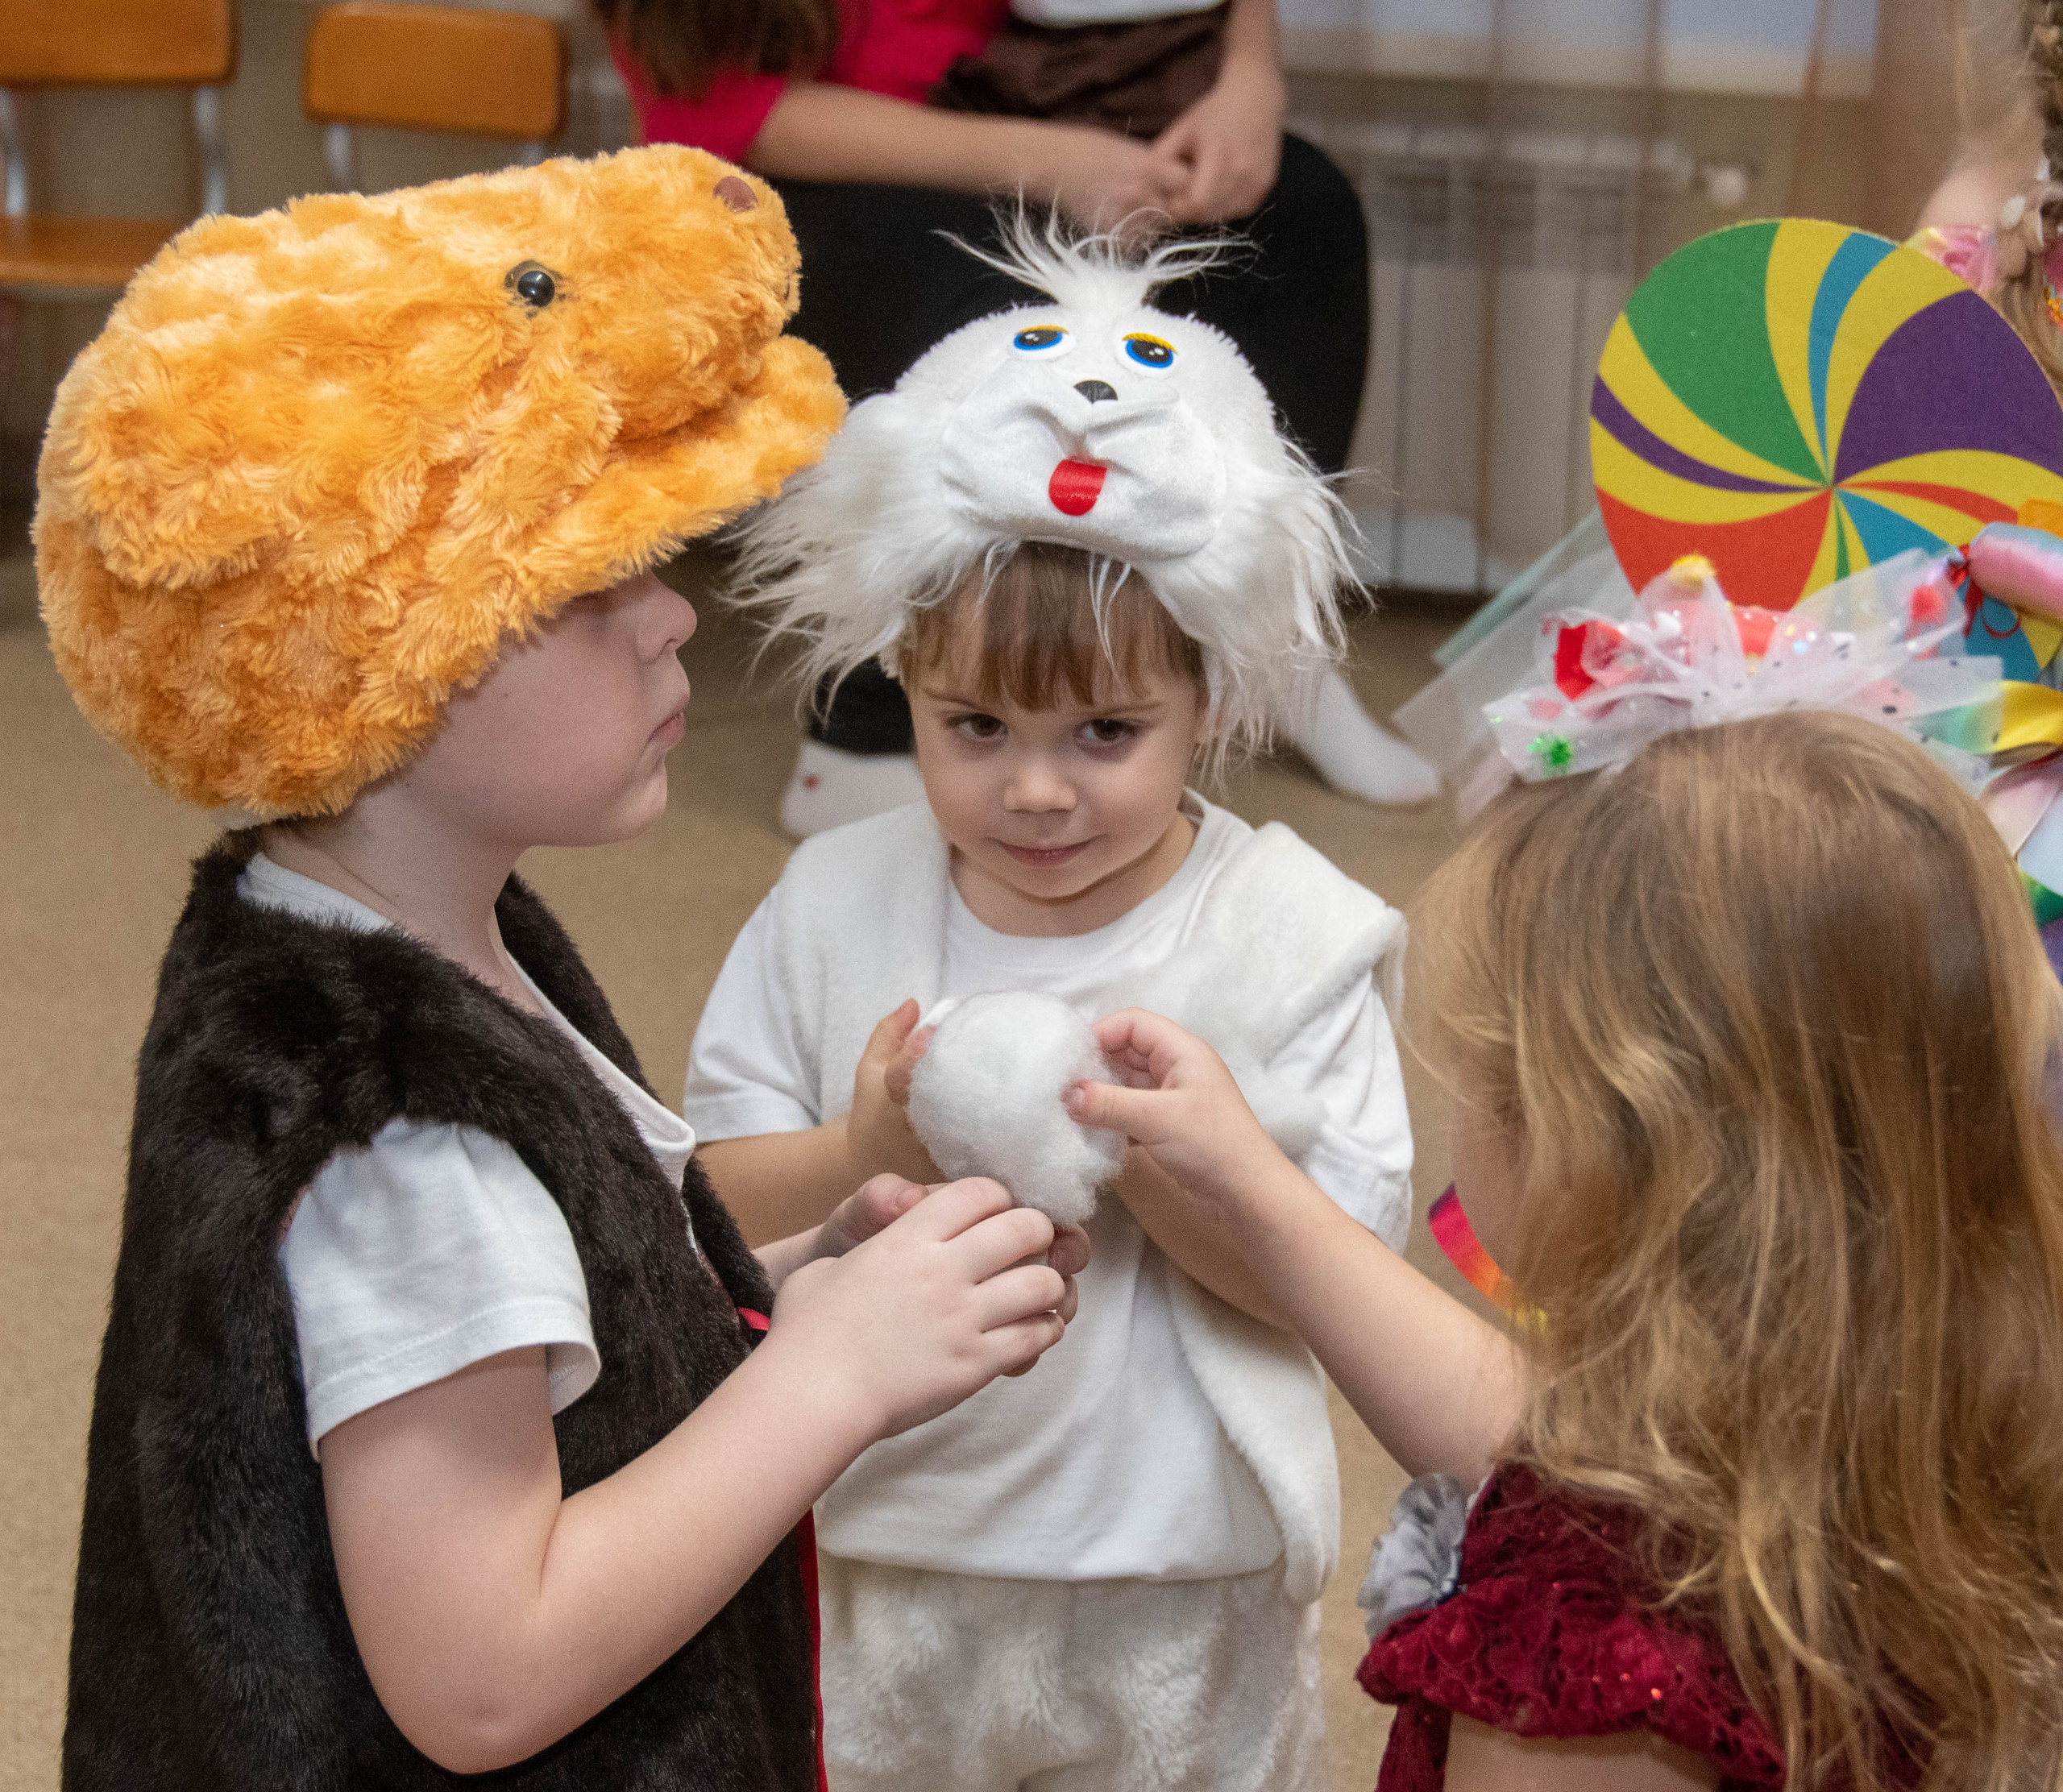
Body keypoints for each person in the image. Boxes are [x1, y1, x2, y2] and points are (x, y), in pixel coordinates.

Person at [43, 146, 1085, 1790]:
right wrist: (830, 1375)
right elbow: (481, 1668)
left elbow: (554, 1320)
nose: (669, 621)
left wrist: (779, 1285)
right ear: (383, 656)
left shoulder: (371, 937)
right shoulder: (404, 1136)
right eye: (590, 584)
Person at [682, 226, 1418, 1790]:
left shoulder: (1290, 938)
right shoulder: (832, 907)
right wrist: (860, 1142)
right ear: (903, 676)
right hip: (876, 1555)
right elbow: (697, 1221)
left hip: (1172, 1591)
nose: (1030, 786)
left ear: (1208, 698)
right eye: (971, 725)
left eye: (1103, 729)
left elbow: (1328, 1288)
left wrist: (1164, 1168)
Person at [1069, 692, 2063, 1783]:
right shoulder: (1903, 1429)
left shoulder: (1580, 1668)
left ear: (1596, 1150)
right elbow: (1532, 1441)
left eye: (1486, 1074)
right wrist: (1259, 1191)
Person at [596, 0, 1440, 830]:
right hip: (795, 189)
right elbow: (716, 111)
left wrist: (1248, 80)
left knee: (1304, 208)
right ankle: (864, 733)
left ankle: (1267, 639)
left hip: (1032, 105)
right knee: (997, 313)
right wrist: (1045, 160)